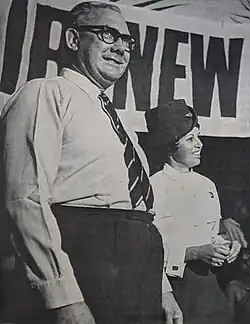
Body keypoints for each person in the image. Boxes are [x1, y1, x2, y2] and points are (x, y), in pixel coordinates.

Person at [0, 2, 182, 323]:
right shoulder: (45, 94)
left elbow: (139, 214)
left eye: (128, 42)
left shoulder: (120, 122)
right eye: (108, 34)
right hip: (83, 269)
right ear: (73, 40)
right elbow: (26, 200)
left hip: (138, 279)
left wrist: (162, 289)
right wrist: (62, 297)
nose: (121, 49)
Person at [147, 99, 241, 324]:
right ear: (170, 145)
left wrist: (226, 245)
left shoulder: (207, 185)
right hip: (174, 289)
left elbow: (209, 235)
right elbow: (149, 249)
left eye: (198, 137)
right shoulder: (154, 187)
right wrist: (195, 253)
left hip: (210, 287)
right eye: (190, 139)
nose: (199, 144)